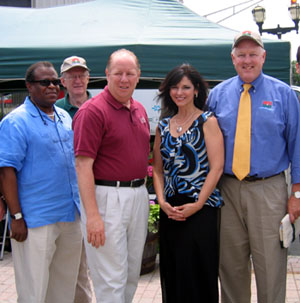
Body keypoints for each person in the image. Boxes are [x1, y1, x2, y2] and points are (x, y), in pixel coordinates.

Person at [207, 31, 300, 303]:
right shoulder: (217, 95)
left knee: (270, 266)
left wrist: (297, 194)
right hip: (227, 191)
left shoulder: (284, 95)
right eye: (241, 55)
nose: (247, 60)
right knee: (231, 266)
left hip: (268, 190)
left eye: (253, 54)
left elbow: (298, 146)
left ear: (263, 57)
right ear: (233, 59)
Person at [0, 61, 82, 302]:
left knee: (64, 288)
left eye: (55, 81)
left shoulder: (65, 116)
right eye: (44, 82)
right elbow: (6, 171)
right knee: (33, 291)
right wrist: (16, 217)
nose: (51, 86)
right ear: (29, 86)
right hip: (35, 219)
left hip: (70, 214)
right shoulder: (16, 122)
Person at [73, 49, 150, 303]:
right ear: (107, 74)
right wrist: (93, 215)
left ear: (139, 76)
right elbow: (83, 166)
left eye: (130, 73)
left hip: (137, 196)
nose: (124, 79)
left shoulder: (139, 110)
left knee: (130, 275)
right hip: (106, 198)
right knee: (110, 279)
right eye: (118, 73)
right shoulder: (92, 111)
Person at [152, 63, 224, 302]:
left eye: (185, 87)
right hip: (171, 210)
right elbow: (158, 171)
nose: (179, 92)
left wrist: (198, 204)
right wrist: (161, 201)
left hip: (200, 209)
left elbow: (217, 168)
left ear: (196, 90)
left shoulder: (207, 121)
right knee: (174, 272)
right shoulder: (163, 126)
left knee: (199, 273)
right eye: (174, 87)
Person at [56, 55, 93, 303]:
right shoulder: (53, 110)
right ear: (63, 81)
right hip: (64, 200)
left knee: (92, 264)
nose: (77, 80)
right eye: (72, 75)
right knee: (68, 264)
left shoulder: (102, 105)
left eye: (81, 75)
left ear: (89, 78)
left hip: (97, 196)